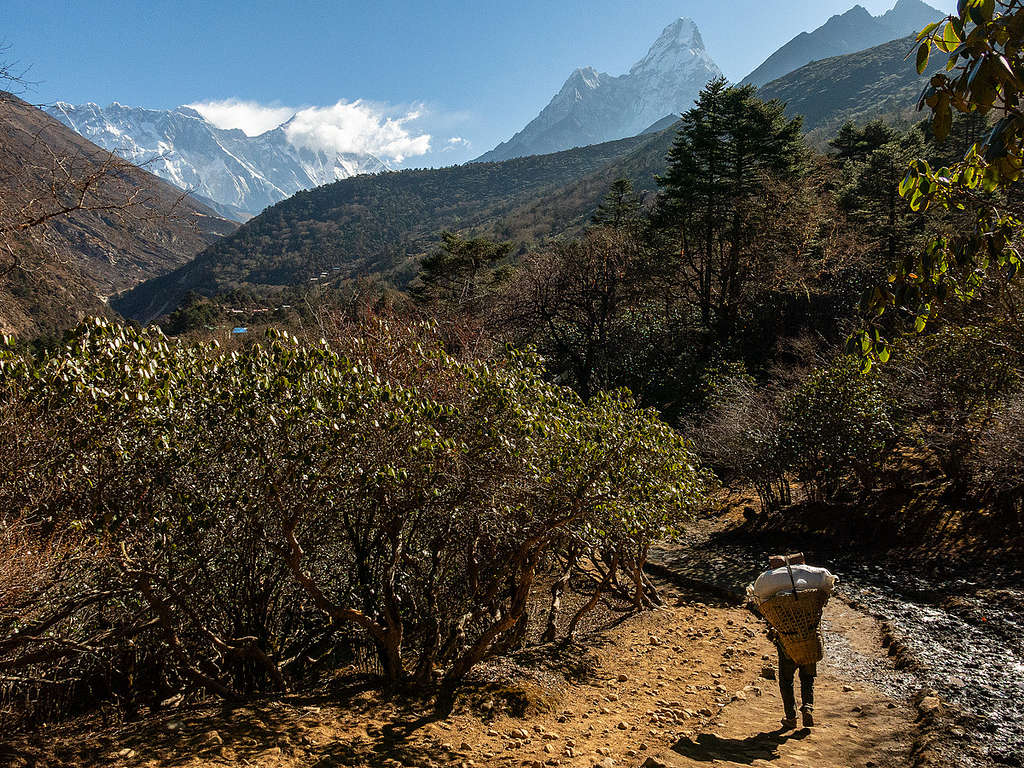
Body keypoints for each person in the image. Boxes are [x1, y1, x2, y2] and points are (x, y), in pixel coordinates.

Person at [747, 553, 837, 730]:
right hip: (811, 636)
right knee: (808, 676)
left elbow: (758, 605)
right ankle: (808, 707)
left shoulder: (770, 589)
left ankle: (791, 717)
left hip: (786, 640)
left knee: (786, 679)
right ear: (802, 564)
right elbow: (827, 589)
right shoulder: (812, 588)